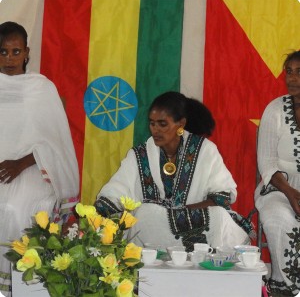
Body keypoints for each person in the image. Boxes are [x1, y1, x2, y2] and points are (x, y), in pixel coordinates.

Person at [95, 91, 252, 253]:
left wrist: (180, 212)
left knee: (219, 216)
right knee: (144, 213)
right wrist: (98, 212)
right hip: (154, 225)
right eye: (152, 123)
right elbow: (116, 189)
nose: (155, 130)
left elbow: (222, 196)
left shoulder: (205, 150)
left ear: (180, 124)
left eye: (162, 124)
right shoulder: (139, 154)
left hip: (195, 221)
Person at [0, 21, 79, 296]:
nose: (9, 59)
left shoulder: (41, 88)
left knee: (15, 209)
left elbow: (53, 141)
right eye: (3, 52)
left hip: (33, 166)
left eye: (15, 51)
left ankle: (22, 284)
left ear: (27, 52)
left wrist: (20, 163)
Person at [254, 50, 300, 297]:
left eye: (299, 72)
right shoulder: (275, 110)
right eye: (289, 72)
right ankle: (286, 288)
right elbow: (267, 161)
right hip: (279, 188)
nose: (291, 78)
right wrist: (292, 193)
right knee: (276, 219)